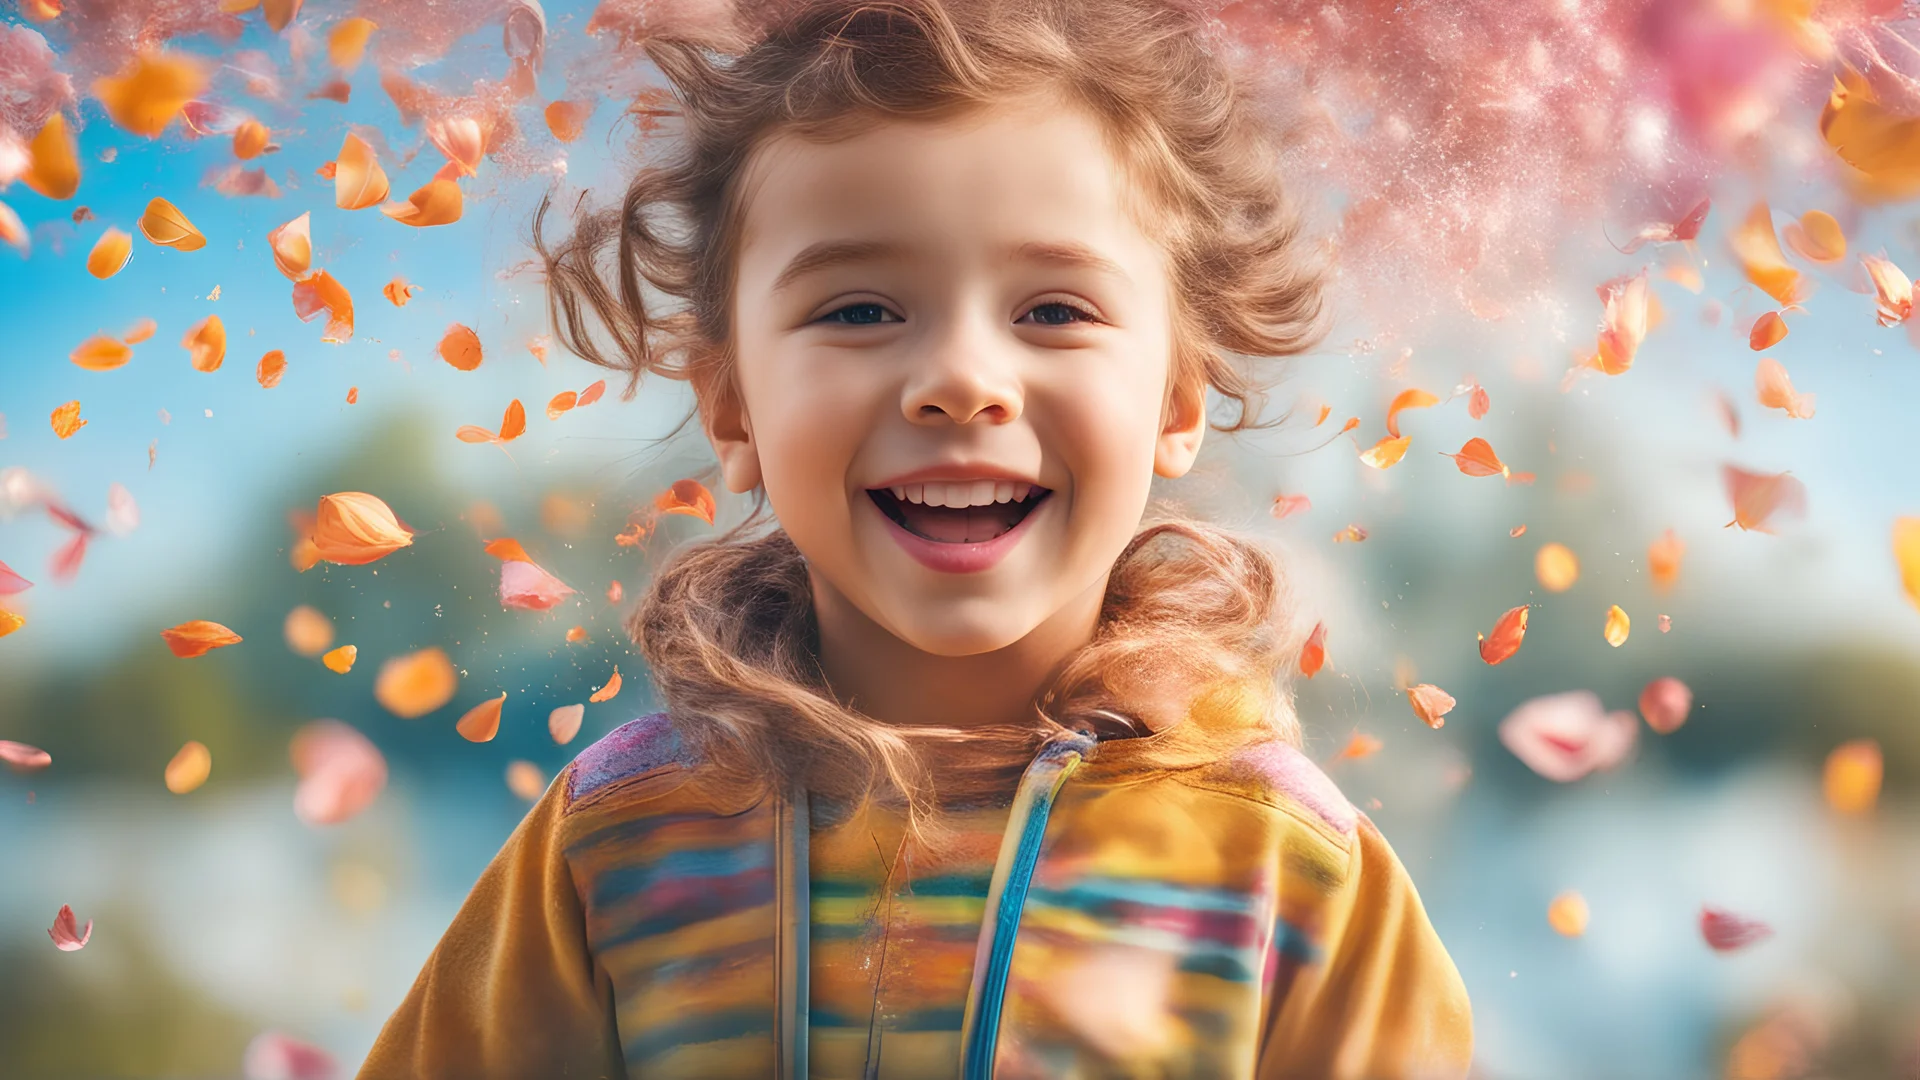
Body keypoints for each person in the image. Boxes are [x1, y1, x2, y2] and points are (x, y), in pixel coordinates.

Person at [357, 0, 1472, 1076]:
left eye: (1054, 310)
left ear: (1178, 399)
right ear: (733, 405)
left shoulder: (1286, 870)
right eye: (859, 311)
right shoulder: (613, 845)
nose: (960, 383)